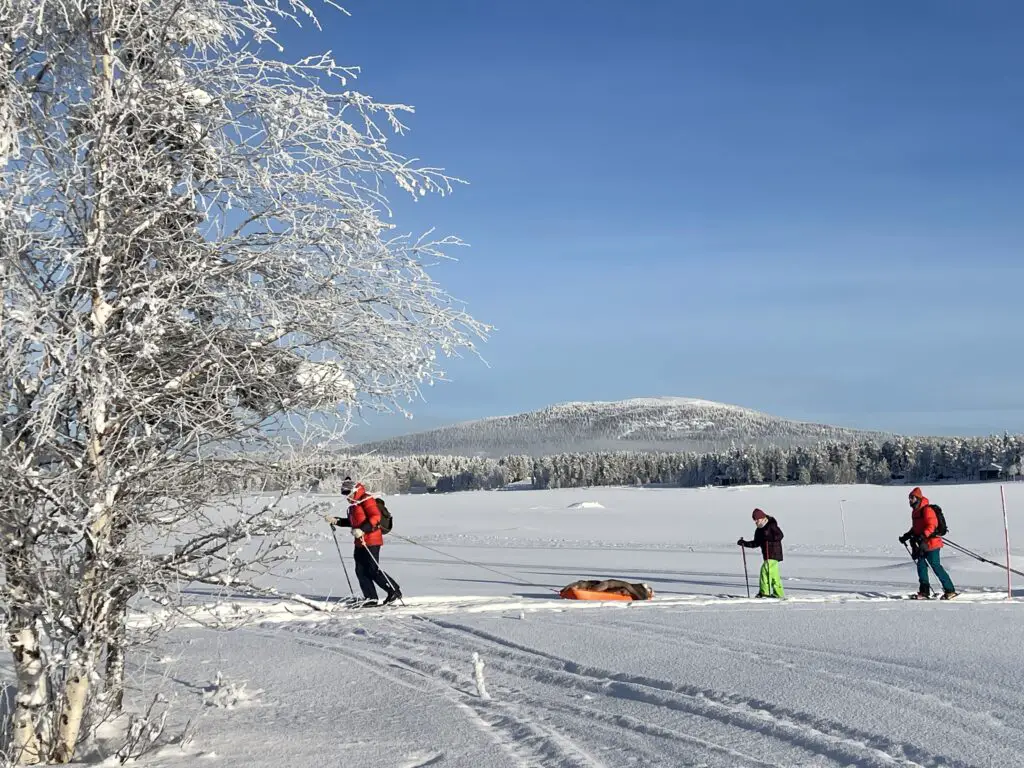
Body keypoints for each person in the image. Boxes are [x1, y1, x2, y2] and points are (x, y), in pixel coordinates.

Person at [326, 476, 402, 607]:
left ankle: (394, 590)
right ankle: (370, 598)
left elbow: (375, 517)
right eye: (344, 493)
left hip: (372, 540)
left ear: (354, 490)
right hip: (360, 542)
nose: (346, 496)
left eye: (347, 493)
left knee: (372, 570)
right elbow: (352, 522)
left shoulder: (366, 499)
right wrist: (336, 521)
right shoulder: (353, 506)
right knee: (360, 571)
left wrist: (362, 529)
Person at [899, 487, 956, 600]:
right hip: (921, 544)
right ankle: (924, 592)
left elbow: (932, 525)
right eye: (909, 498)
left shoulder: (927, 510)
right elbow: (916, 527)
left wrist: (923, 535)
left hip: (932, 543)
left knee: (935, 566)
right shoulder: (915, 511)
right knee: (921, 567)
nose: (910, 500)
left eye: (912, 498)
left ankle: (950, 590)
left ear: (918, 498)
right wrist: (907, 535)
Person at [738, 508, 785, 598]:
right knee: (773, 575)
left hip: (774, 554)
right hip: (767, 555)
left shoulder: (771, 525)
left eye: (757, 519)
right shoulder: (759, 530)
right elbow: (756, 543)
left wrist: (769, 537)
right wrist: (744, 543)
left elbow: (780, 535)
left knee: (765, 571)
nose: (756, 522)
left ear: (762, 518)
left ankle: (765, 593)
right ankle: (777, 593)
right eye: (754, 520)